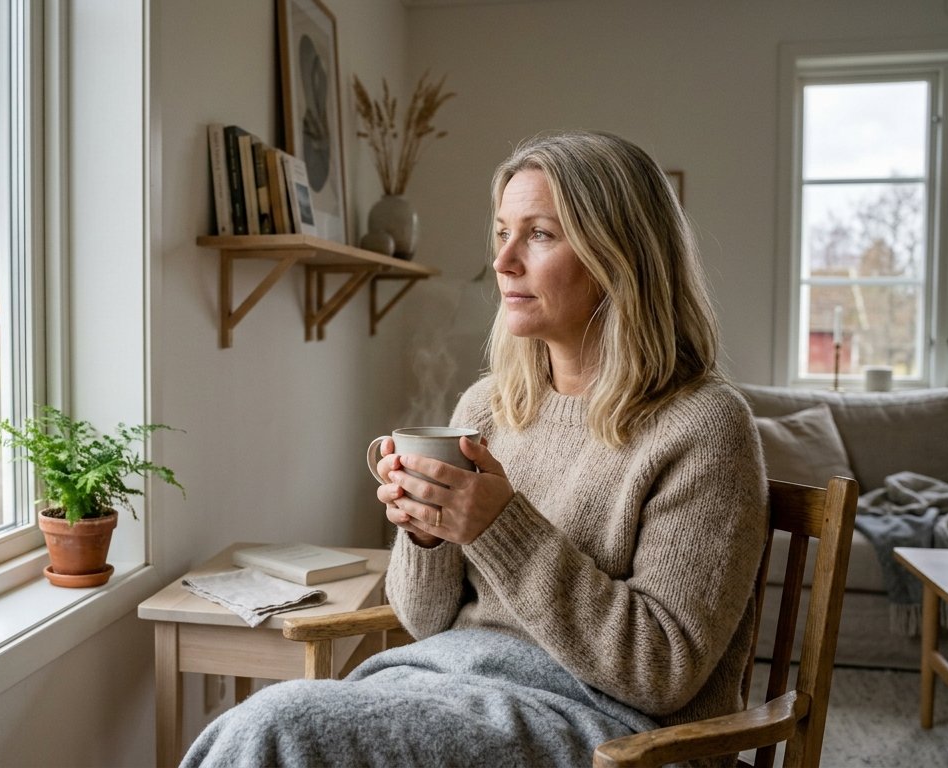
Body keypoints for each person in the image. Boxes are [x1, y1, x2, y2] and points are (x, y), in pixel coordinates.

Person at [181, 130, 767, 768]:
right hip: (445, 680)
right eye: (501, 232)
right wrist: (429, 534)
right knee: (260, 725)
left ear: (621, 254)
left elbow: (663, 672)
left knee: (276, 729)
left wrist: (499, 527)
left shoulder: (703, 426)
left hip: (606, 729)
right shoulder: (490, 406)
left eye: (540, 234)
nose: (504, 260)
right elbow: (426, 620)